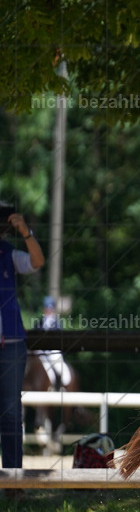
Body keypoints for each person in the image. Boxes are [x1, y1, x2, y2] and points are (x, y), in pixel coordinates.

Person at [0, 205, 45, 482]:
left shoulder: (7, 252)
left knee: (11, 412)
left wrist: (25, 231)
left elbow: (38, 261)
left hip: (12, 342)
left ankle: (14, 480)